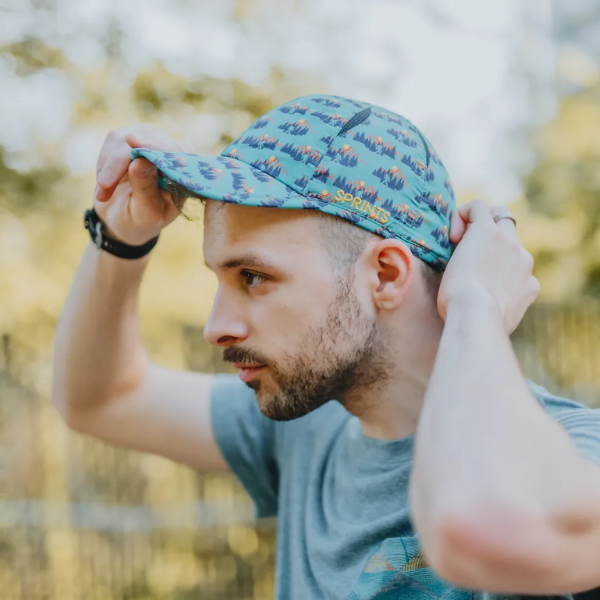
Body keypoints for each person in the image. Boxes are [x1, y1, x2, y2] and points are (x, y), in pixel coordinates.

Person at [52, 94, 600, 600]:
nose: (215, 327)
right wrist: (120, 238)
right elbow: (100, 398)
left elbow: (483, 527)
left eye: (253, 276)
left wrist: (475, 302)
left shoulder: (578, 455)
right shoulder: (308, 433)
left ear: (385, 274)